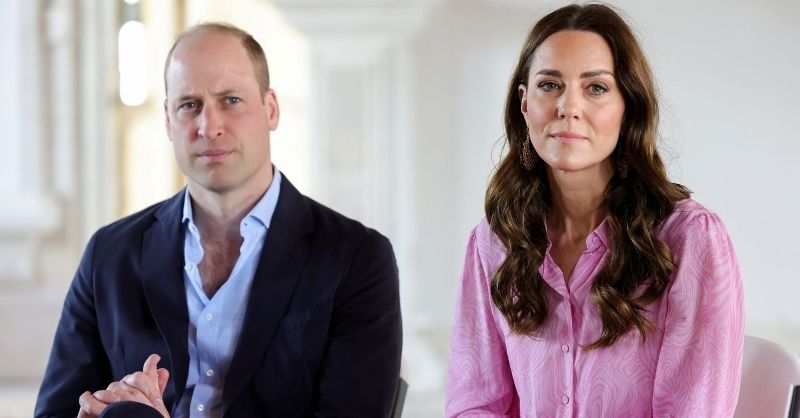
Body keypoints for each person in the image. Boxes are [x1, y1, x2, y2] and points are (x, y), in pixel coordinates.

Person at [34, 22, 402, 418]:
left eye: (231, 100)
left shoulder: (357, 258)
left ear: (271, 109)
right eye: (189, 105)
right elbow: (56, 411)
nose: (209, 127)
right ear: (168, 120)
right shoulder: (109, 254)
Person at [446, 4, 743, 417]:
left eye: (596, 88)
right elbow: (474, 404)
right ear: (525, 103)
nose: (568, 106)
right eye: (550, 85)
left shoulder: (690, 239)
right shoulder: (493, 242)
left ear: (628, 107)